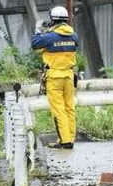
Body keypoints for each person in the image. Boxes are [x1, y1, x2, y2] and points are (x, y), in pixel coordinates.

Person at [31, 6, 79, 149]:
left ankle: (65, 141)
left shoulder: (50, 37)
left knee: (58, 110)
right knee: (69, 108)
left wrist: (39, 29)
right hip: (69, 76)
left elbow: (35, 43)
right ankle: (70, 137)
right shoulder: (74, 35)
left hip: (54, 77)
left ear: (53, 20)